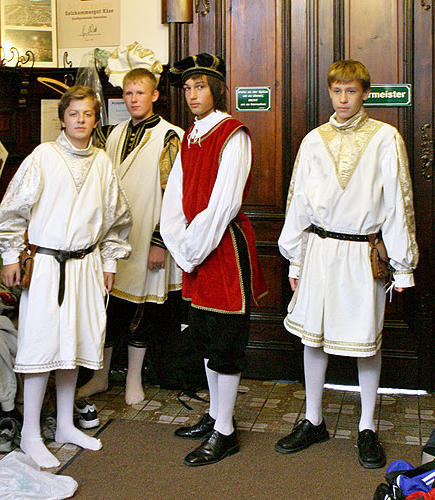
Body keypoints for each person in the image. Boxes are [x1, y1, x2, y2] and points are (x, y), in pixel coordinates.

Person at [0, 85, 132, 468]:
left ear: (97, 120)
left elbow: (116, 219)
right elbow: (13, 210)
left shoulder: (101, 162)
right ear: (62, 118)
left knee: (73, 346)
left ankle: (64, 424)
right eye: (74, 114)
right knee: (42, 348)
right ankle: (31, 431)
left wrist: (109, 263)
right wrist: (12, 255)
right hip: (47, 267)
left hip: (86, 266)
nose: (81, 121)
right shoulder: (43, 157)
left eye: (88, 115)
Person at [275, 60, 419, 469]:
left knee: (366, 340)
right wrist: (295, 261)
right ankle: (313, 418)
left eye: (351, 91)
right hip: (319, 250)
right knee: (312, 337)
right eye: (337, 91)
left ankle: (367, 426)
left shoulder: (385, 138)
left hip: (361, 253)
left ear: (365, 93)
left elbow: (397, 202)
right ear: (330, 92)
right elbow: (298, 202)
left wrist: (404, 267)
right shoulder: (313, 140)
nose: (343, 99)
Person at [160, 53, 268, 466]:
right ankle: (215, 414)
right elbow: (175, 195)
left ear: (216, 89)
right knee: (205, 336)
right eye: (187, 88)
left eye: (200, 86)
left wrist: (192, 248)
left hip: (221, 248)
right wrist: (180, 244)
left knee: (225, 340)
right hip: (195, 248)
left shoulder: (233, 133)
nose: (191, 95)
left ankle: (226, 431)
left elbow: (225, 202)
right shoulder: (189, 136)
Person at [77, 68, 184, 406]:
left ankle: (133, 380)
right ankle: (101, 376)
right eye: (128, 94)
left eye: (140, 93)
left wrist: (159, 242)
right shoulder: (113, 133)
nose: (134, 99)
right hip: (113, 241)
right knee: (109, 310)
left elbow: (173, 195)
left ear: (154, 95)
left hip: (147, 240)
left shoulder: (170, 136)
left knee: (142, 313)